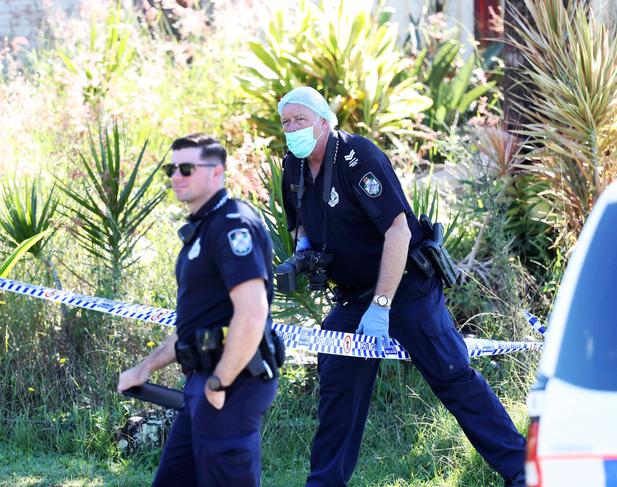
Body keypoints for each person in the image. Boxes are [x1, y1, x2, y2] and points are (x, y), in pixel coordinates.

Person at [277, 87, 526, 487]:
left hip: (405, 288)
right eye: (286, 122)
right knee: (339, 382)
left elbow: (399, 230)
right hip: (352, 296)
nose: (292, 129)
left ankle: (523, 472)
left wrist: (382, 305)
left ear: (323, 121)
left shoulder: (359, 157)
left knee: (454, 378)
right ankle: (324, 483)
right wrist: (304, 249)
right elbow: (300, 221)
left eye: (299, 120)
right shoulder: (294, 165)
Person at [117, 133, 278, 487]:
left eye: (187, 168)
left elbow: (251, 315)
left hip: (232, 384)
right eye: (171, 169)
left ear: (217, 172)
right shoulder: (204, 229)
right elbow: (193, 325)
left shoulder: (233, 226)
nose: (177, 176)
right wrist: (144, 368)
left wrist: (220, 382)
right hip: (201, 384)